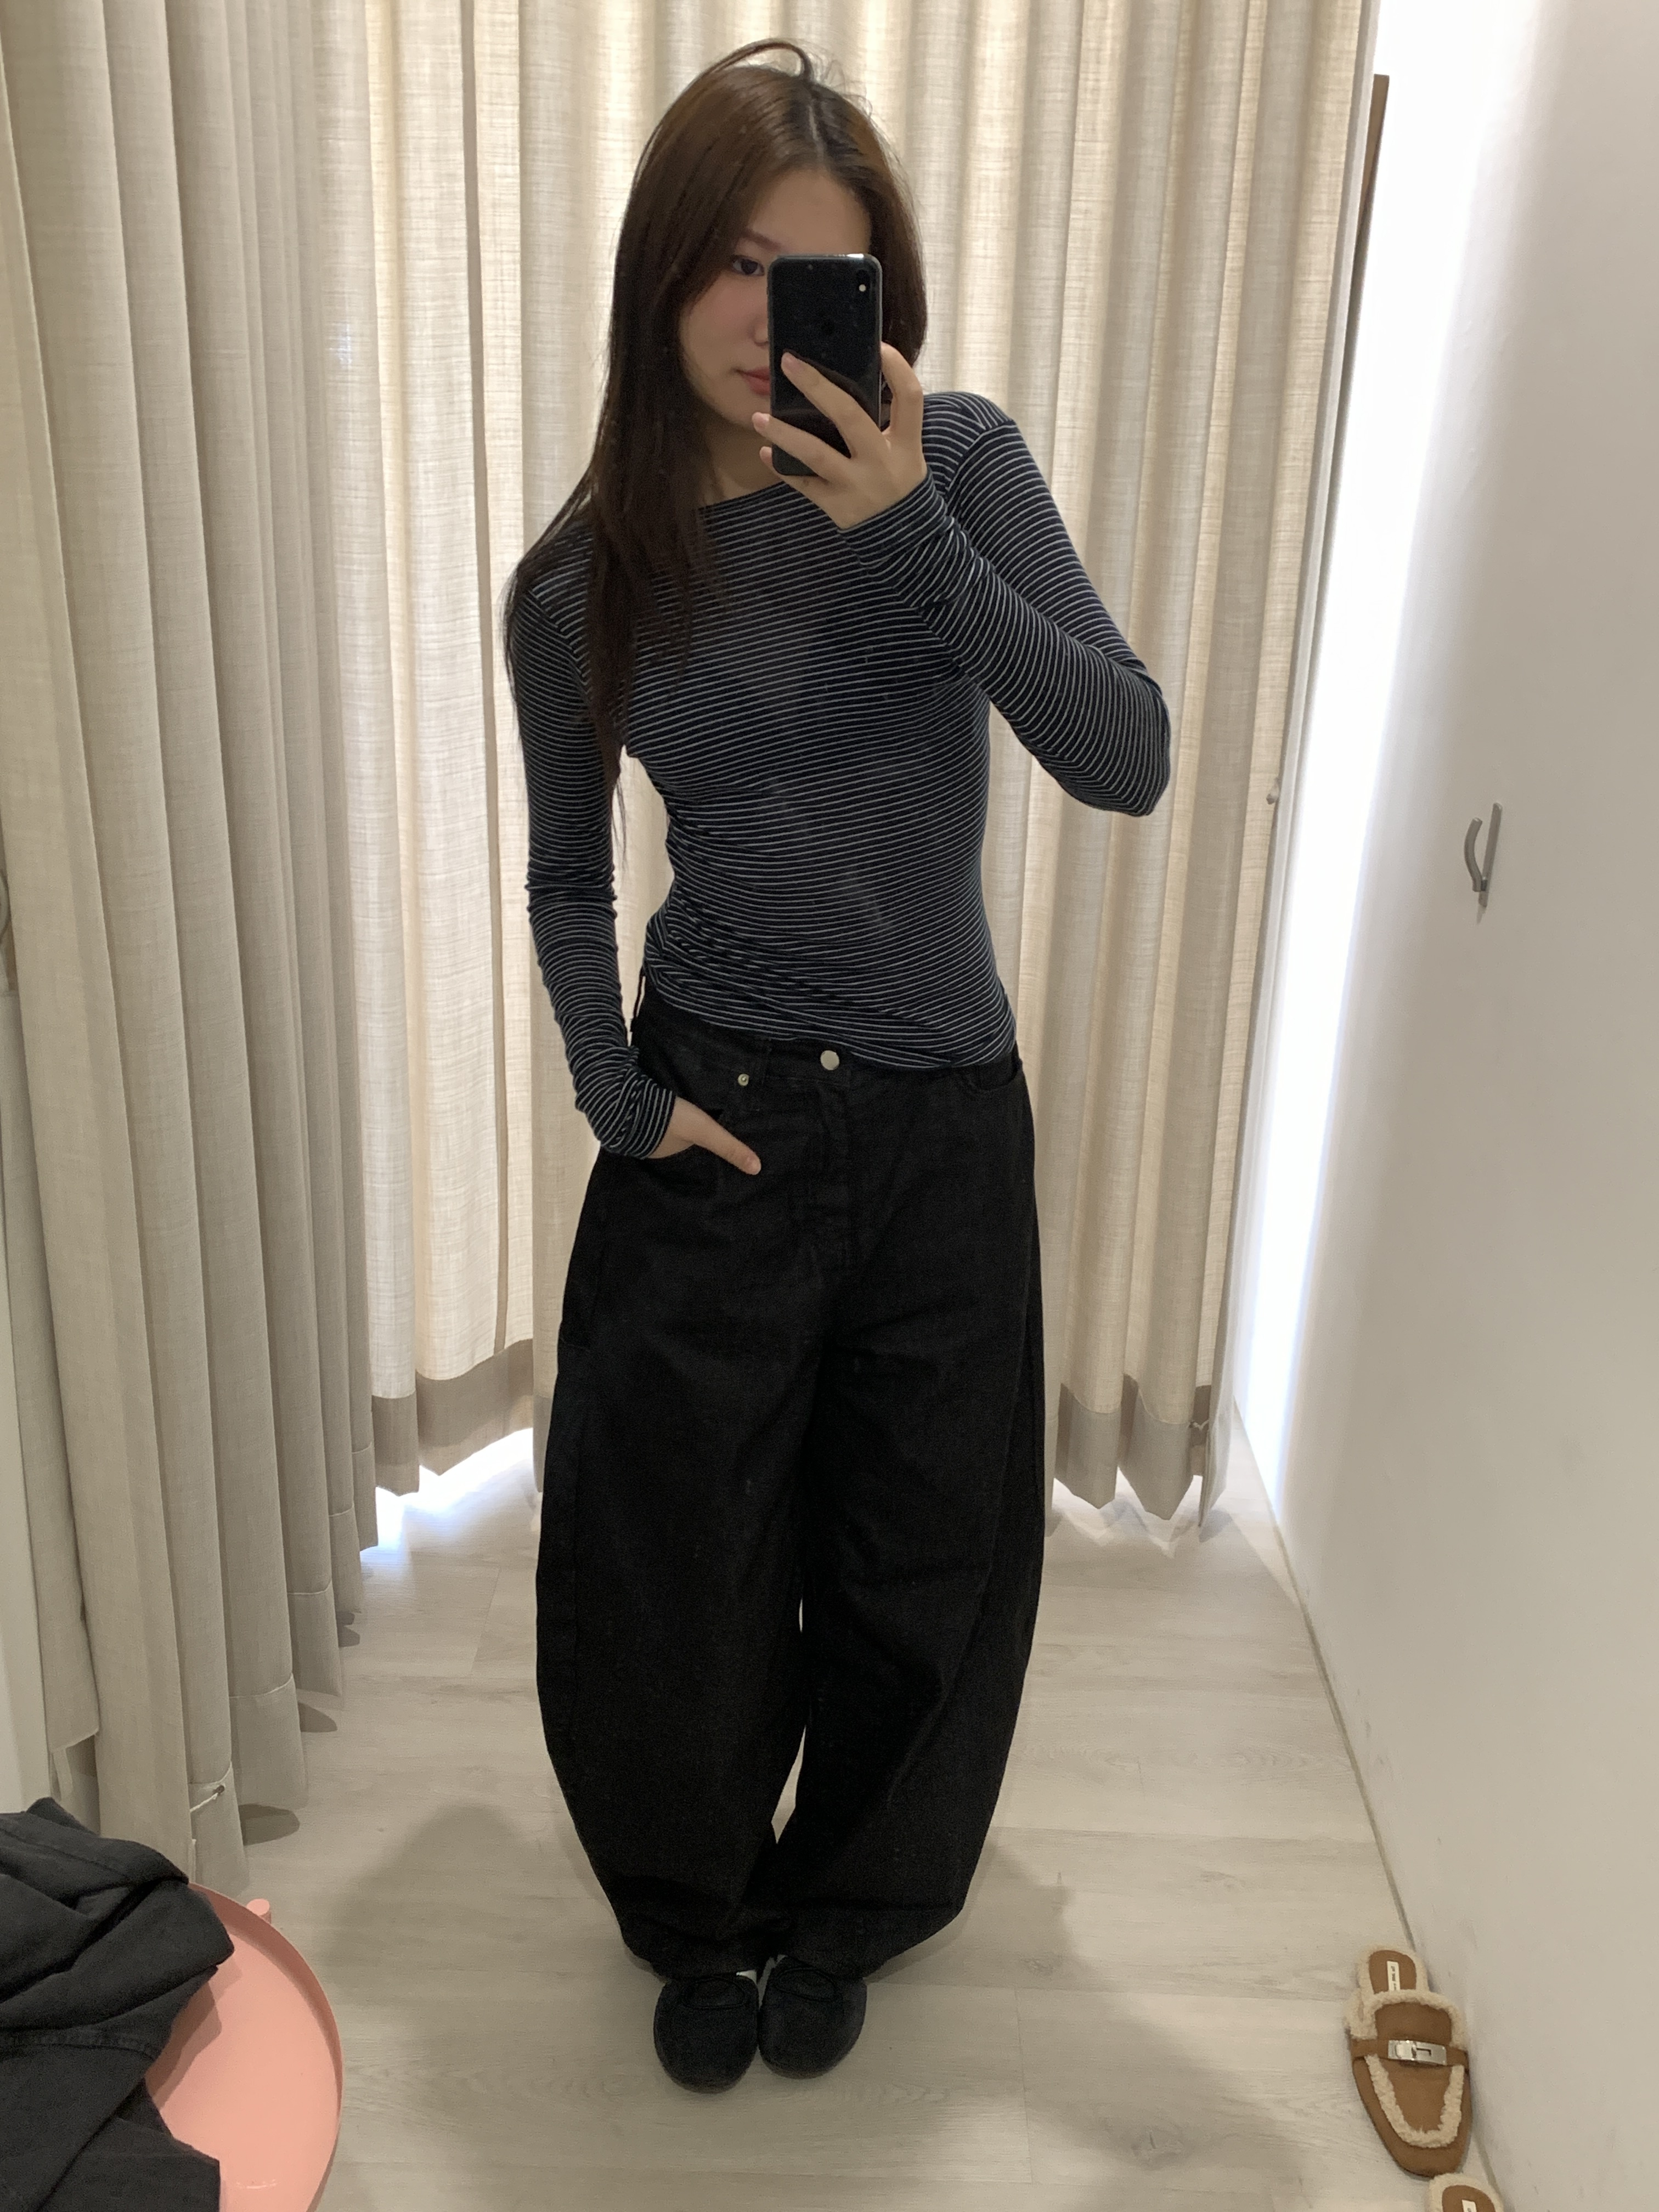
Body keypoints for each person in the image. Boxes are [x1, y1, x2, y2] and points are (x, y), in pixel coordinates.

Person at [499, 38, 1170, 2096]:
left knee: (921, 1561)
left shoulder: (958, 463)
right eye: (729, 260)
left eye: (812, 274)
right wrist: (619, 1099)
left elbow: (1128, 753)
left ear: (876, 296)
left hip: (945, 1116)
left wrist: (913, 540)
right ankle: (693, 1910)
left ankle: (852, 1907)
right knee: (677, 1567)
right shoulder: (582, 576)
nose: (760, 315)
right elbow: (567, 876)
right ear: (660, 272)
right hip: (722, 1119)